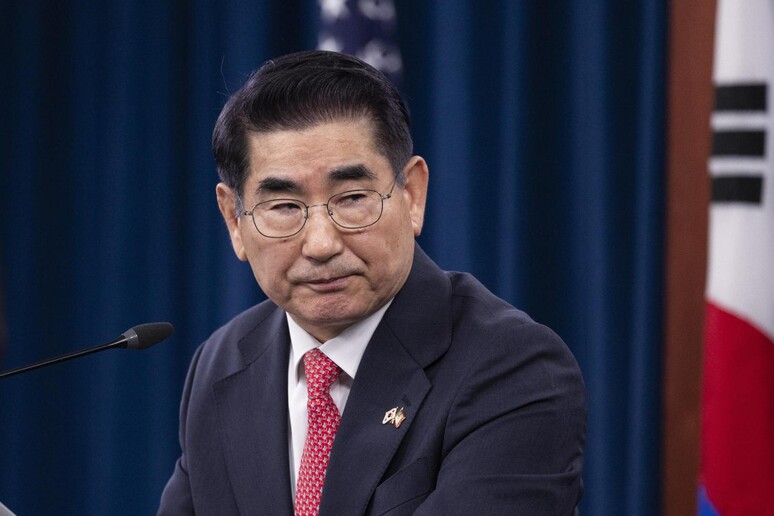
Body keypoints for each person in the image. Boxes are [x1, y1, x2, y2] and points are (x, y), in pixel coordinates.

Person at [158, 50, 586, 516]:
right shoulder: (221, 364)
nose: (321, 244)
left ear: (412, 194)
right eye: (283, 207)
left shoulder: (513, 369)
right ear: (234, 221)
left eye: (352, 198)